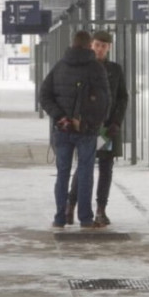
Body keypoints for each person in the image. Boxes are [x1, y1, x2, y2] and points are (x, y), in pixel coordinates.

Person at [40, 30, 110, 229]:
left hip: (62, 130)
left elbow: (44, 95)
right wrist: (94, 123)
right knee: (86, 173)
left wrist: (60, 117)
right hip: (86, 131)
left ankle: (60, 218)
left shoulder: (60, 66)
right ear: (89, 46)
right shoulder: (96, 68)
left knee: (62, 173)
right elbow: (106, 100)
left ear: (72, 44)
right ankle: (86, 219)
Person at [66, 29, 129, 227]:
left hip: (108, 128)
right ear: (91, 45)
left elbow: (122, 97)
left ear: (109, 48)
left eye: (104, 46)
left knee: (106, 168)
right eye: (97, 45)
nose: (100, 49)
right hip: (88, 127)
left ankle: (101, 210)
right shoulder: (84, 68)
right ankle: (71, 206)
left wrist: (116, 122)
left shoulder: (115, 70)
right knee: (84, 166)